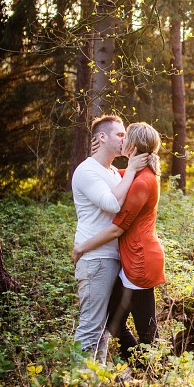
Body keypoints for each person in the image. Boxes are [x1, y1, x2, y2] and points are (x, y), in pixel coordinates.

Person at [72, 122, 165, 367]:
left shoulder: (141, 181)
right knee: (113, 322)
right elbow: (104, 178)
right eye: (119, 135)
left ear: (133, 146)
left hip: (140, 260)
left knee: (143, 328)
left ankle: (150, 373)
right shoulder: (129, 175)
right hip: (132, 258)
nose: (122, 140)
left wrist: (81, 247)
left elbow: (117, 227)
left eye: (125, 137)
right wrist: (101, 153)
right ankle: (142, 369)